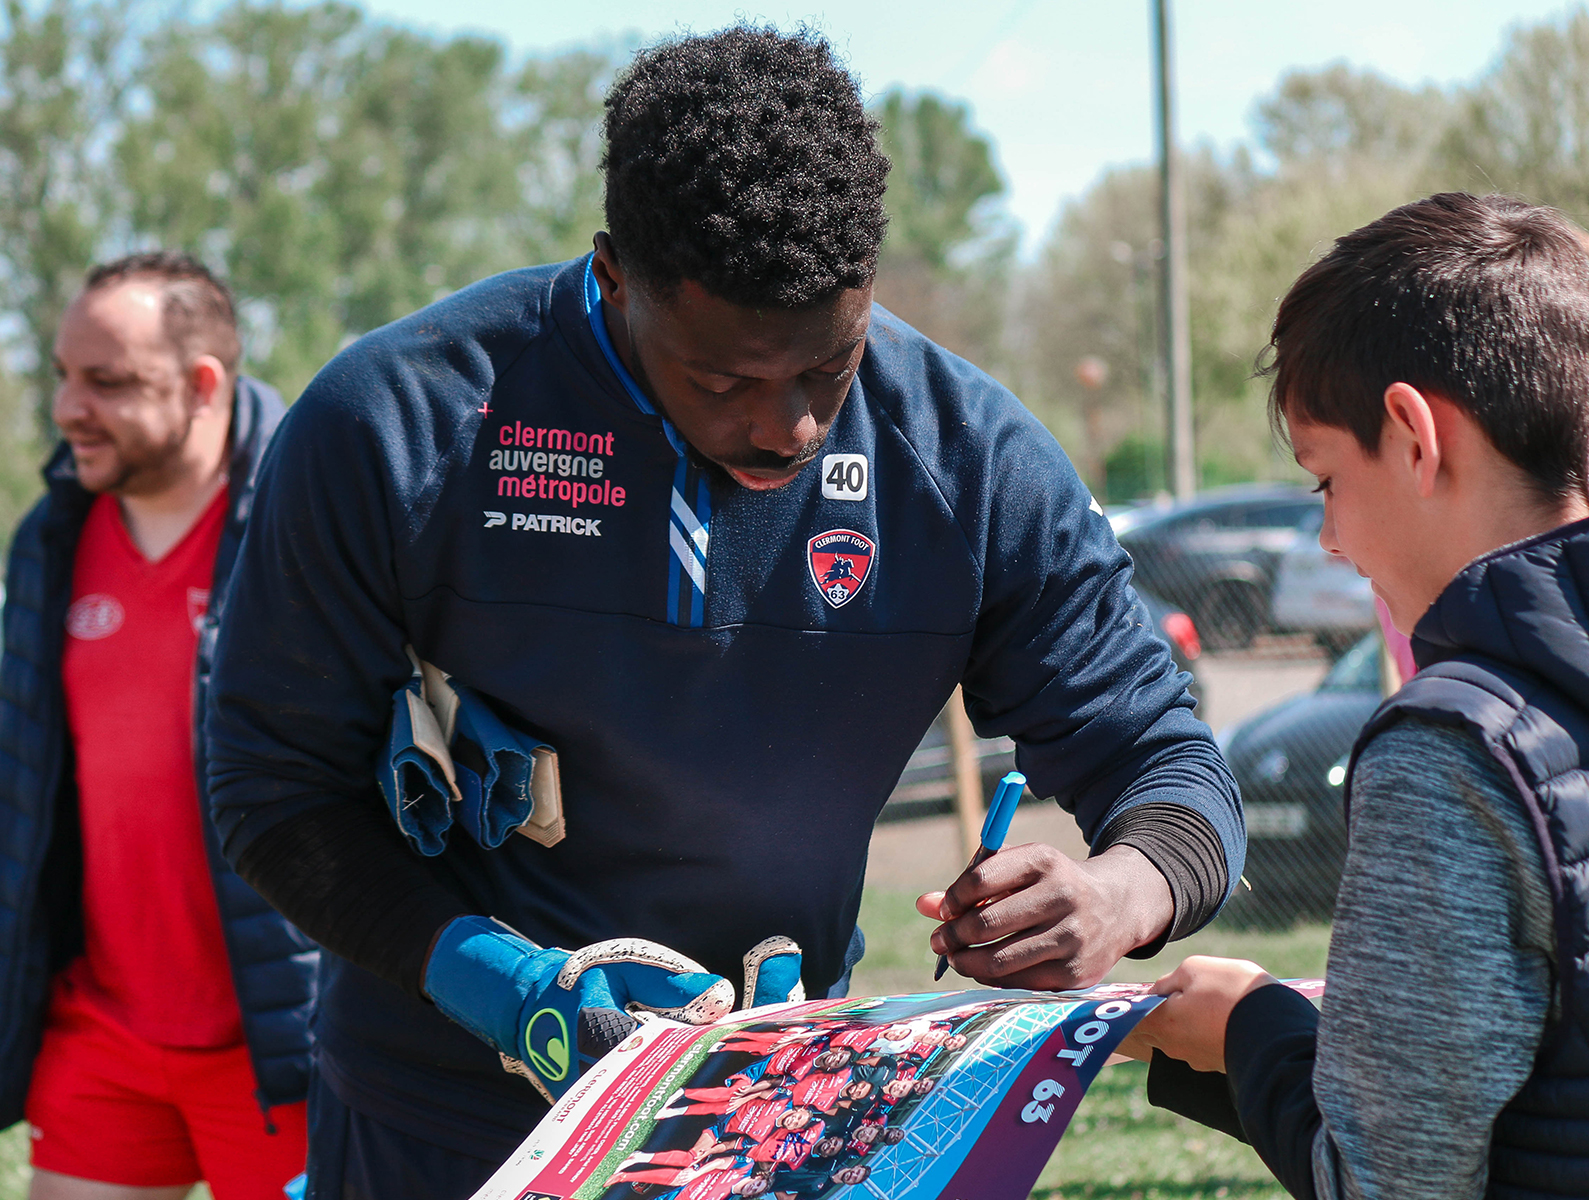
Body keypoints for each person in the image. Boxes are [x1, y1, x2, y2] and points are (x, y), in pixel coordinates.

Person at [203, 25, 1244, 1196]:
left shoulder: (968, 461)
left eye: (828, 367)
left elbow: (1168, 765)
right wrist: (508, 991)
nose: (789, 427)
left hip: (778, 1121)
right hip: (437, 1125)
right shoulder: (400, 423)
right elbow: (271, 786)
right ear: (613, 278)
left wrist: (1116, 894)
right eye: (723, 379)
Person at [1125, 193, 1589, 1198]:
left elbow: (1392, 1183)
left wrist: (1247, 1029)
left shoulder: (1450, 754)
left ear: (1414, 436)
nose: (1330, 542)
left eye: (1324, 480)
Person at [0, 254, 315, 1197]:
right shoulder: (50, 539)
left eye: (107, 382)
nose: (66, 408)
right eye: (62, 375)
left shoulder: (306, 529)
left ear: (201, 384)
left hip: (277, 1046)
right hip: (102, 1035)